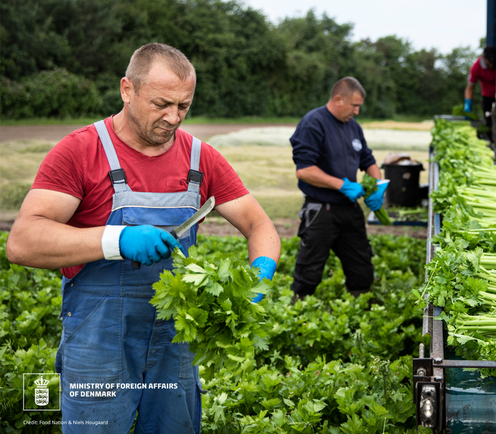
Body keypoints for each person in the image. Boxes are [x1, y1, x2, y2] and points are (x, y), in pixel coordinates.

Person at [6, 43, 281, 433]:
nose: (173, 118)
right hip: (99, 339)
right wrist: (116, 241)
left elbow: (261, 227)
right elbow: (22, 241)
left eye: (184, 106)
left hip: (175, 338)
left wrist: (261, 273)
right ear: (127, 90)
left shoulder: (201, 159)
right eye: (161, 104)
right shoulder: (81, 151)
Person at [289, 76, 387, 300]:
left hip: (349, 210)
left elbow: (368, 161)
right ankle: (298, 311)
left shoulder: (353, 127)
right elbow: (304, 170)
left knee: (361, 266)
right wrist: (342, 185)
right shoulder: (313, 123)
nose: (357, 111)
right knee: (309, 269)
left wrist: (378, 185)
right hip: (321, 210)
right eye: (354, 105)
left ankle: (360, 307)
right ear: (338, 99)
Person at [464, 45, 496, 145]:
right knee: (488, 122)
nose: (491, 66)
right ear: (484, 59)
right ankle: (490, 143)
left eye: (493, 63)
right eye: (489, 63)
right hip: (488, 96)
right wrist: (468, 104)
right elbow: (470, 88)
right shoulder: (476, 67)